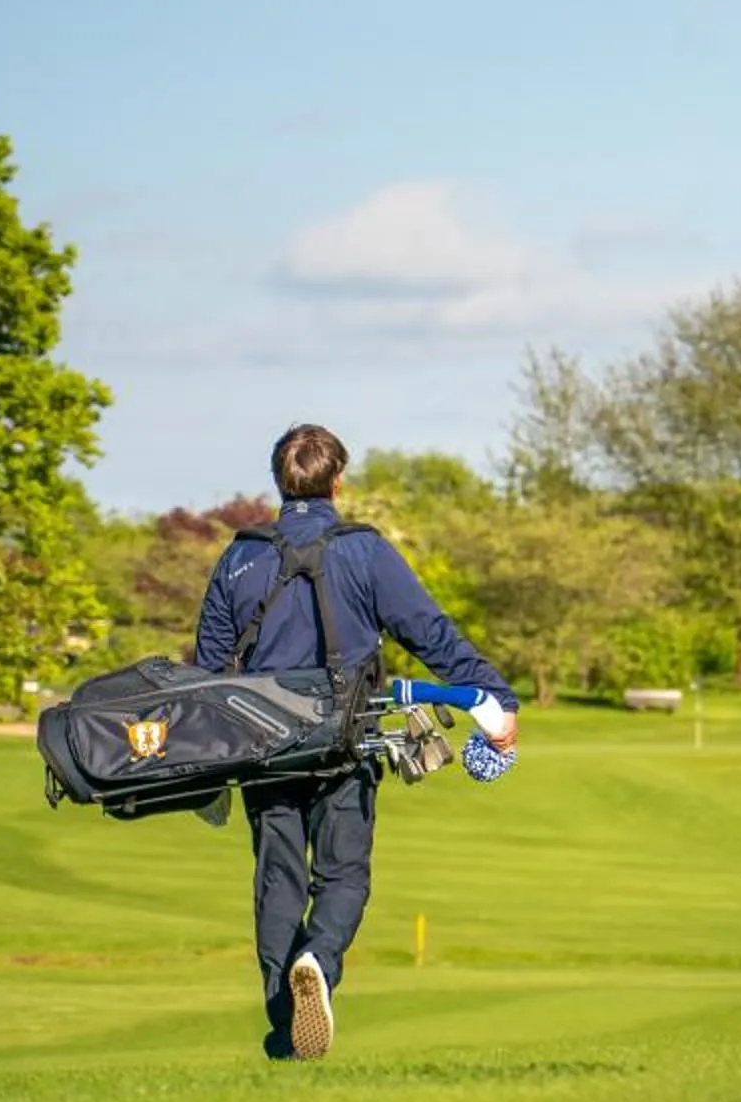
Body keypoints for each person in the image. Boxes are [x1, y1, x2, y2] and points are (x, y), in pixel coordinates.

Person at [193, 423, 518, 1060]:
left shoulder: (238, 557)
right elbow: (429, 633)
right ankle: (318, 959)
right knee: (343, 875)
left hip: (262, 746)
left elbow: (208, 668)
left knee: (277, 881)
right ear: (337, 482)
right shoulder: (364, 551)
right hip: (346, 741)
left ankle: (287, 1029)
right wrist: (494, 696)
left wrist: (207, 765)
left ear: (279, 482)